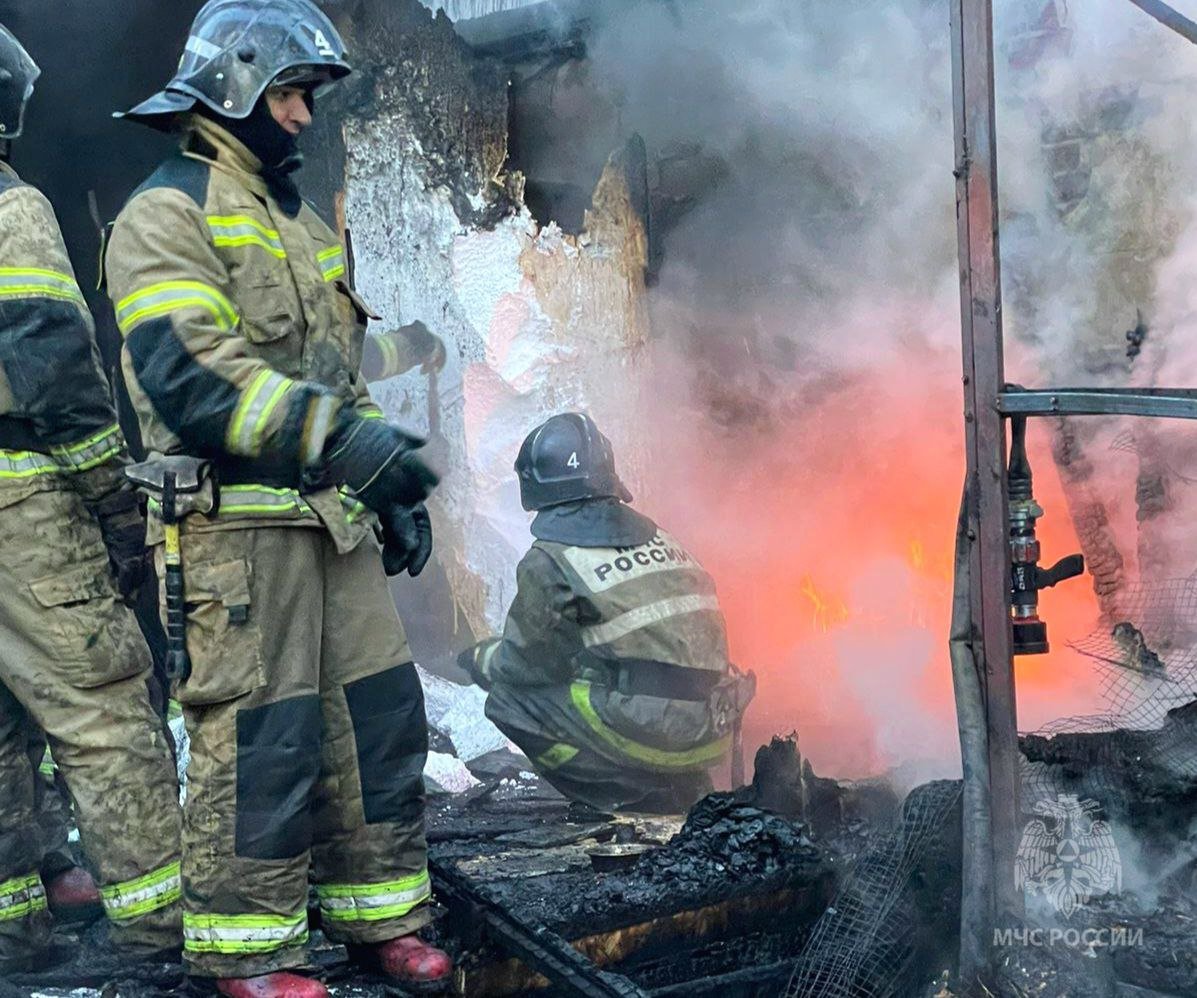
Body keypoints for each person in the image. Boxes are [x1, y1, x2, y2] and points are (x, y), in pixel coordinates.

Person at [106, 2, 450, 994]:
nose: (304, 116)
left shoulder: (297, 219)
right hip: (234, 525)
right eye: (293, 93)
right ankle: (250, 952)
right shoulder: (162, 216)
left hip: (328, 522)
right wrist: (343, 441)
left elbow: (333, 366)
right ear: (236, 85)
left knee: (380, 714)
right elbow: (192, 376)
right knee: (262, 738)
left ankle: (383, 915)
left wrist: (383, 489)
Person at [0, 21, 182, 974]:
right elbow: (55, 366)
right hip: (21, 513)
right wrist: (118, 506)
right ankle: (159, 926)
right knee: (104, 705)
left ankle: (13, 926)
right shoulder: (10, 206)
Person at [460, 412, 755, 814]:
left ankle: (622, 796)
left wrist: (482, 658)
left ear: (534, 488)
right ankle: (680, 786)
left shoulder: (550, 559)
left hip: (657, 734)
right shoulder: (663, 539)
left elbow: (530, 665)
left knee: (509, 699)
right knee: (613, 677)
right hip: (712, 730)